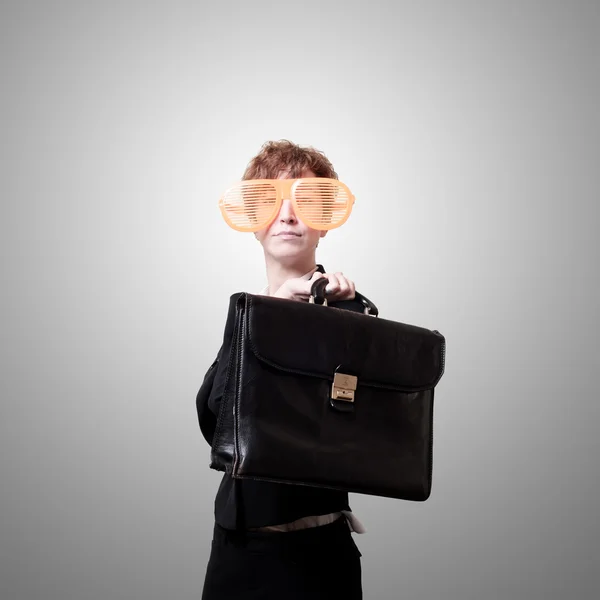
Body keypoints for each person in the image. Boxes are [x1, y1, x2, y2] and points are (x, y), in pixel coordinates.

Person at [196, 140, 372, 599]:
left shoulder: (349, 312)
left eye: (307, 203)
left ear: (325, 224)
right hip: (236, 549)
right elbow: (216, 420)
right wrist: (267, 313)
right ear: (254, 224)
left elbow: (340, 431)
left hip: (317, 554)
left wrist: (338, 317)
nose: (289, 216)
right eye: (270, 203)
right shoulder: (249, 313)